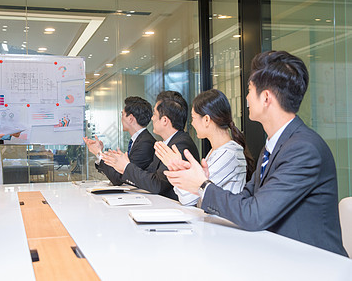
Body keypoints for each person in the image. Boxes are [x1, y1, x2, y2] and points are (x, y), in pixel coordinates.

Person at [164, 51, 348, 256]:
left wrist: (202, 185)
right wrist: (203, 183)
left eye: (250, 90)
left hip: (315, 263)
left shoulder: (303, 149)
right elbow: (246, 199)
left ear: (266, 97)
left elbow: (255, 214)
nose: (247, 98)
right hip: (279, 254)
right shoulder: (274, 146)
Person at [155, 89, 254, 206]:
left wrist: (177, 168)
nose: (192, 123)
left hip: (222, 223)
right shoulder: (215, 151)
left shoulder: (229, 154)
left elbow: (187, 198)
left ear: (206, 119)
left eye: (193, 118)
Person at [102, 91, 199, 200]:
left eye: (154, 114)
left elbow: (157, 185)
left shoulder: (180, 145)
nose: (152, 119)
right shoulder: (166, 143)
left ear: (165, 120)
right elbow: (149, 175)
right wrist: (123, 165)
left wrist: (126, 167)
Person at [83, 96, 156, 185]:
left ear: (130, 119)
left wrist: (98, 153)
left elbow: (120, 177)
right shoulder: (139, 140)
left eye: (122, 115)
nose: (121, 119)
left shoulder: (145, 143)